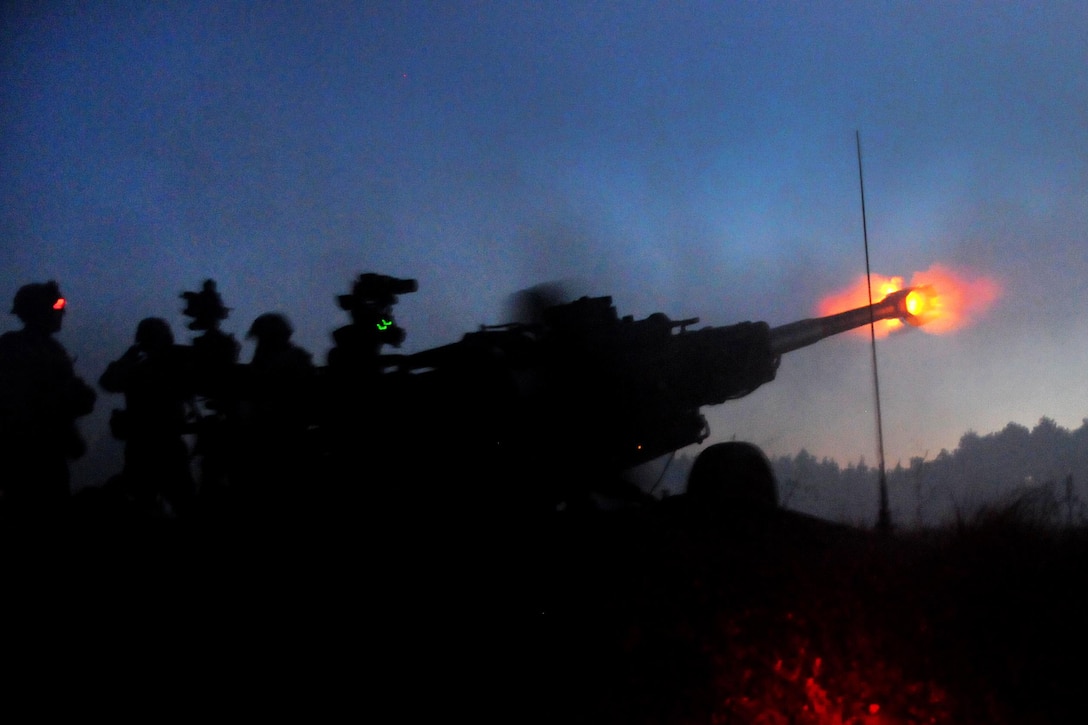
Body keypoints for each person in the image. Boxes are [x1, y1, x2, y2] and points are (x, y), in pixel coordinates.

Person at [0, 281, 96, 519]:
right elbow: (20, 403)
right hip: (27, 457)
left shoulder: (52, 349)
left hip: (47, 452)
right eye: (57, 304)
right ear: (37, 309)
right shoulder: (14, 348)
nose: (62, 311)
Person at [99, 317, 196, 517]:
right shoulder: (142, 369)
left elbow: (109, 381)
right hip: (151, 447)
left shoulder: (150, 367)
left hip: (153, 446)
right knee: (166, 504)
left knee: (168, 503)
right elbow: (108, 382)